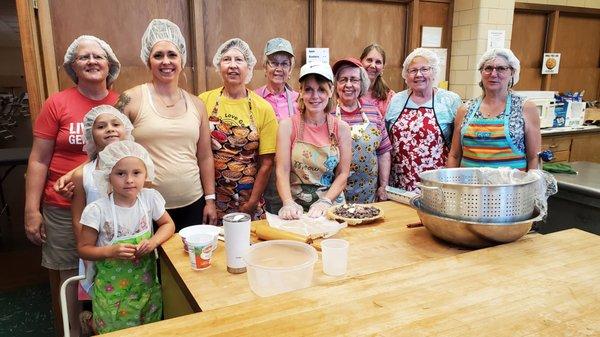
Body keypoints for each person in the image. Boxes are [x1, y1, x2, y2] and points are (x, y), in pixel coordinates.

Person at [24, 35, 120, 336]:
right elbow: (39, 159)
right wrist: (31, 210)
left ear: (109, 65)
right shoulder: (58, 103)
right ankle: (72, 331)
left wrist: (78, 174)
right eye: (84, 57)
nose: (92, 61)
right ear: (73, 66)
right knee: (70, 271)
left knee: (110, 268)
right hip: (63, 206)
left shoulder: (122, 103)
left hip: (111, 204)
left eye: (98, 56)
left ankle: (106, 326)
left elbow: (125, 153)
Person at [116, 19, 217, 230]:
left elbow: (205, 155)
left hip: (193, 203)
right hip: (145, 205)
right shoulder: (131, 99)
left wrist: (210, 199)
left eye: (172, 55)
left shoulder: (197, 104)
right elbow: (111, 150)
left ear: (182, 60)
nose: (166, 61)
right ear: (148, 61)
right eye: (158, 55)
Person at [78, 140, 175, 334]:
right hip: (112, 292)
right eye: (121, 173)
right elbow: (83, 248)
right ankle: (91, 323)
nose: (129, 180)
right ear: (108, 176)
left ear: (146, 173)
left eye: (136, 173)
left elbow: (168, 224)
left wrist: (154, 241)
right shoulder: (98, 210)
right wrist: (109, 251)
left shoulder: (149, 198)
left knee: (148, 328)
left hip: (145, 287)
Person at [199, 38, 278, 221]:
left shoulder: (263, 108)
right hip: (212, 196)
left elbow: (266, 163)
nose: (233, 65)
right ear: (219, 66)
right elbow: (199, 153)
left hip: (248, 197)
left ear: (249, 67)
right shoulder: (203, 101)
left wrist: (252, 203)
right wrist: (209, 200)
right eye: (227, 59)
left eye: (239, 60)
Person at [276, 62, 352, 220]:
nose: (315, 96)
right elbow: (282, 171)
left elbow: (343, 174)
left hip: (331, 206)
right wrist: (288, 202)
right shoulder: (287, 126)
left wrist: (325, 201)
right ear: (301, 91)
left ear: (331, 91)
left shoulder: (341, 128)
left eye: (321, 90)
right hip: (296, 208)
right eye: (309, 89)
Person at [447, 48, 541, 170]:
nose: (494, 74)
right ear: (481, 72)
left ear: (512, 72)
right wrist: (450, 184)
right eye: (488, 68)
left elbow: (534, 157)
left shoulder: (525, 108)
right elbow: (454, 156)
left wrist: (532, 185)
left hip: (511, 187)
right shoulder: (465, 110)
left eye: (501, 68)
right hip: (470, 186)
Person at [386, 48, 462, 191]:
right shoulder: (396, 100)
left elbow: (458, 148)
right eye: (413, 70)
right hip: (399, 180)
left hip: (438, 182)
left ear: (433, 73)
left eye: (424, 69)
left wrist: (451, 183)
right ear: (406, 75)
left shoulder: (450, 100)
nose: (418, 75)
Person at [331, 57, 392, 203]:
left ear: (362, 83)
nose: (349, 85)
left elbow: (383, 152)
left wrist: (383, 186)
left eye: (354, 80)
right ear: (335, 84)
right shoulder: (327, 112)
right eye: (343, 80)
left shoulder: (374, 112)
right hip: (333, 194)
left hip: (368, 194)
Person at [254, 37, 299, 215]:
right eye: (273, 63)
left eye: (284, 63)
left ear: (290, 69)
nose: (279, 69)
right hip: (263, 169)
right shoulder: (254, 98)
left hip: (293, 172)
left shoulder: (299, 99)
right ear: (265, 67)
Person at [359, 44, 395, 116]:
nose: (373, 65)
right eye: (369, 60)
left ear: (383, 68)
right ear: (360, 62)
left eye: (378, 62)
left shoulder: (390, 97)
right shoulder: (350, 90)